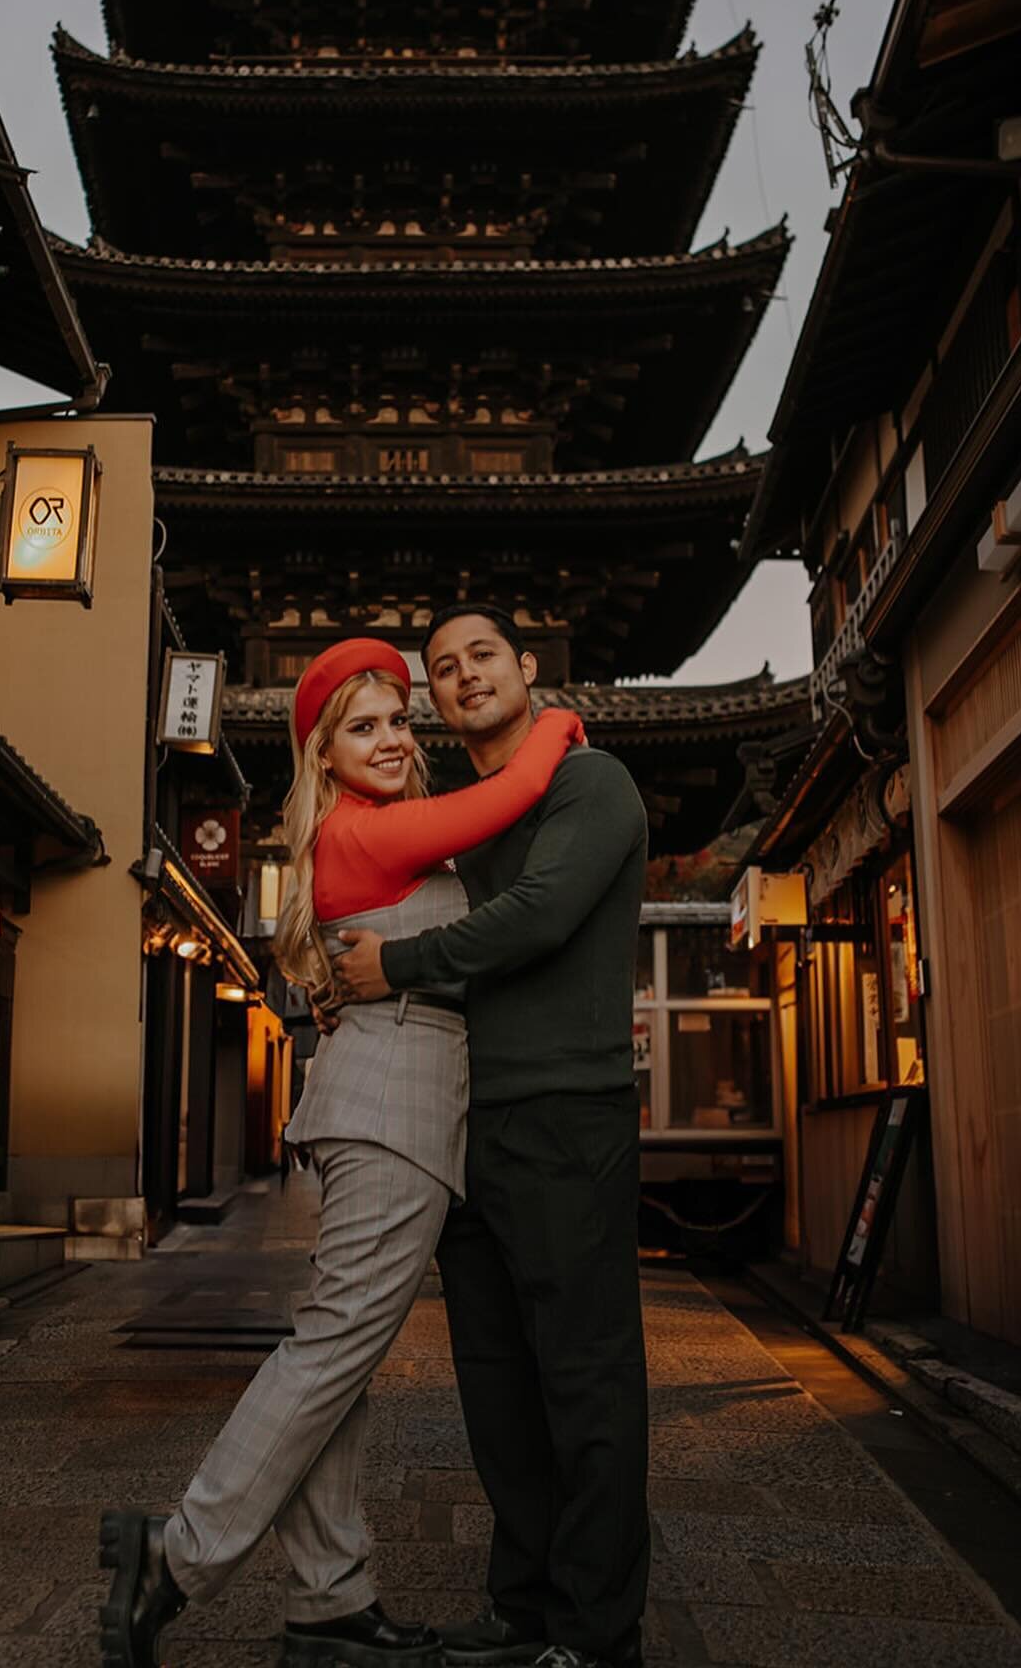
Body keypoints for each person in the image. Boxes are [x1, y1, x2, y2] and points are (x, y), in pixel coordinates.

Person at [100, 635, 586, 1668]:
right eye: (362, 728)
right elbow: (500, 801)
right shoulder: (366, 835)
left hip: (396, 1102)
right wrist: (555, 725)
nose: (394, 739)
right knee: (331, 1349)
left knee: (341, 1357)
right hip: (393, 1107)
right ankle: (178, 1556)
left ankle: (329, 1600)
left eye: (400, 721)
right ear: (322, 756)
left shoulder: (378, 833)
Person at [333, 605, 650, 1668]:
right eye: (441, 668)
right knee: (500, 1390)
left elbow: (544, 912)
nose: (463, 676)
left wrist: (398, 969)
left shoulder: (587, 784)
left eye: (482, 656)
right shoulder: (463, 813)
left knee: (587, 1380)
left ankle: (598, 1638)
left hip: (568, 1114)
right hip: (470, 1122)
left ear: (526, 667)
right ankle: (523, 1611)